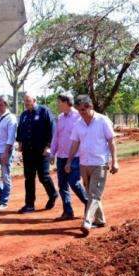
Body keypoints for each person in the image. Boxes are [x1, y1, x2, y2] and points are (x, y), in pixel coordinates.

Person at [65, 95, 119, 236]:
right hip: (84, 164)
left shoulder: (102, 120)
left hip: (99, 163)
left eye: (84, 109)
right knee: (91, 194)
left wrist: (115, 161)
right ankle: (100, 220)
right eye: (79, 110)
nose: (81, 112)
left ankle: (87, 221)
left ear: (90, 107)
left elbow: (111, 141)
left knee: (94, 194)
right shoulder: (78, 124)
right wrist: (69, 161)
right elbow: (75, 144)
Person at [16, 94, 58, 213]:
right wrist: (20, 145)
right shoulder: (24, 115)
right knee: (29, 178)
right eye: (25, 101)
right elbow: (20, 130)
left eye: (28, 101)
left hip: (41, 151)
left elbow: (52, 129)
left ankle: (53, 194)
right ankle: (29, 205)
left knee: (43, 176)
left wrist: (49, 147)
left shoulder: (44, 111)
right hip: (27, 152)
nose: (26, 103)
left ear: (35, 100)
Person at [50, 92, 88, 220]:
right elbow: (56, 136)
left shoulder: (79, 116)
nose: (57, 104)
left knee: (74, 182)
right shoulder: (60, 117)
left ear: (66, 102)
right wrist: (52, 153)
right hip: (61, 157)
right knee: (62, 185)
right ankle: (68, 211)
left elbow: (83, 136)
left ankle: (89, 204)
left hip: (75, 156)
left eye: (59, 102)